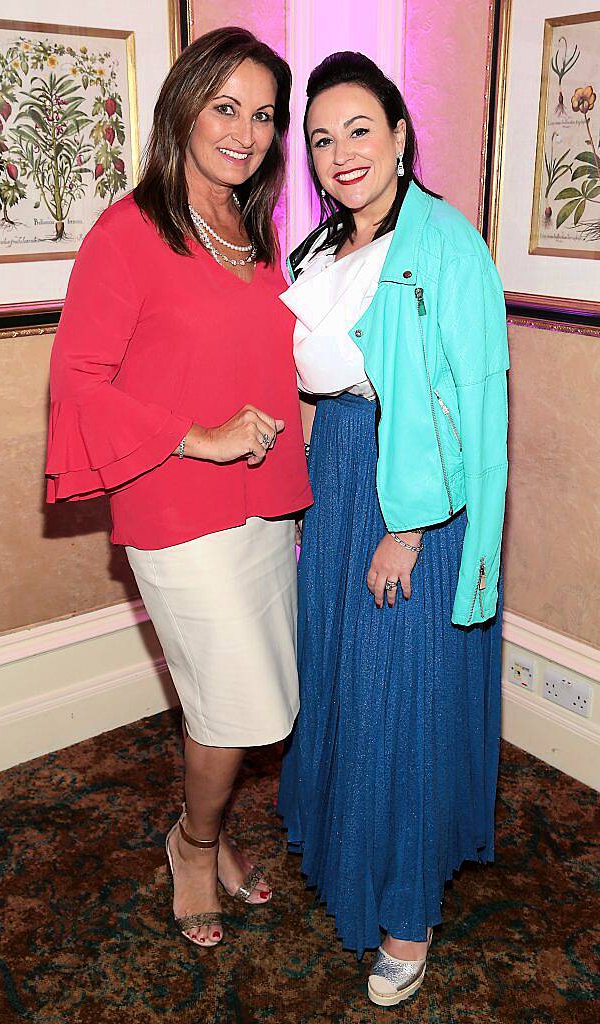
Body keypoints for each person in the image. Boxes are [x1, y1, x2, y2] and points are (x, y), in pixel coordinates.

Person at [45, 27, 312, 949]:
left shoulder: (255, 228)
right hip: (175, 505)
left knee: (234, 704)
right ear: (184, 109)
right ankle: (192, 844)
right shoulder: (130, 231)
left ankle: (207, 828)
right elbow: (79, 379)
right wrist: (198, 437)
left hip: (263, 504)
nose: (245, 130)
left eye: (264, 114)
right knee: (242, 703)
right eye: (224, 106)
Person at [278, 51, 508, 1006]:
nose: (340, 153)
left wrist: (409, 530)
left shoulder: (446, 244)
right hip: (338, 478)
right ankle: (352, 858)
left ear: (402, 134)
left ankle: (407, 919)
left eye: (358, 129)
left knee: (399, 700)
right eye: (321, 139)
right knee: (342, 680)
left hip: (407, 493)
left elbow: (470, 403)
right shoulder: (323, 250)